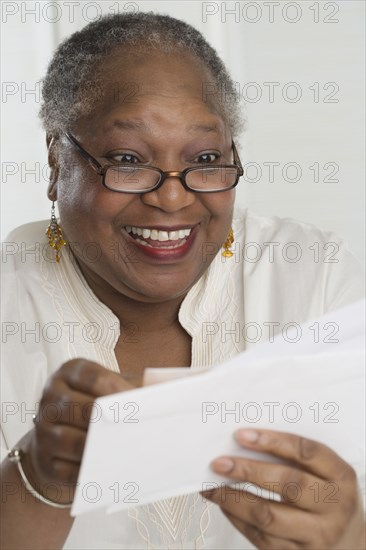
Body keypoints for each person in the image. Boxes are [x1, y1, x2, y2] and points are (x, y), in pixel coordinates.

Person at [1, 12, 365, 550]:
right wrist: (41, 477)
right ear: (56, 162)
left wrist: (349, 535)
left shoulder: (318, 279)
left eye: (206, 159)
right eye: (127, 159)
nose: (173, 198)